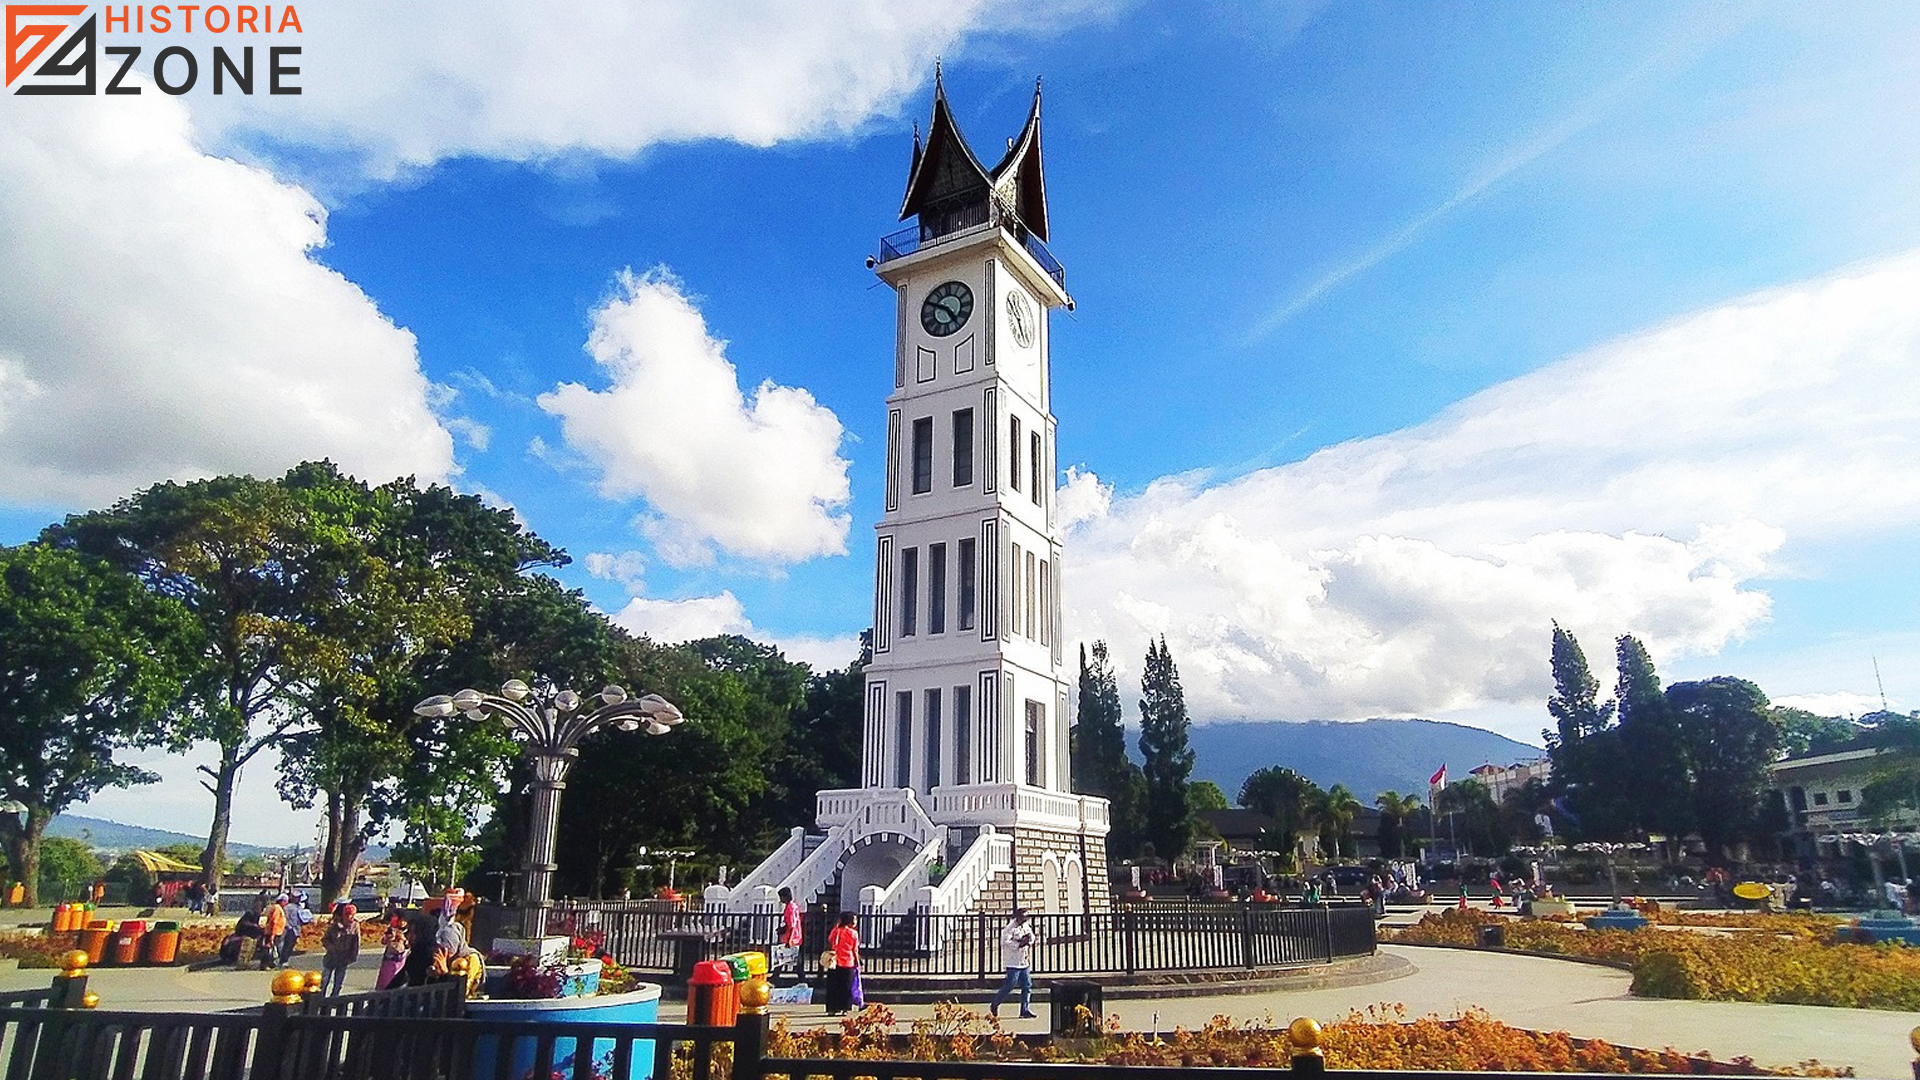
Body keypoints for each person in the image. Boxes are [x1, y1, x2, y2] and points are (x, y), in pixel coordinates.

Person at [989, 908, 1037, 1020]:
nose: (1024, 920)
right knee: (1010, 985)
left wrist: (1029, 941)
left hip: (1023, 960)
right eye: (1023, 918)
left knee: (1027, 985)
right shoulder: (1009, 928)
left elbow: (1032, 936)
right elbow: (1005, 942)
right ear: (1018, 917)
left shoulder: (1025, 926)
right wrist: (1019, 944)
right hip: (1012, 961)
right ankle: (995, 1004)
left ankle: (1024, 1010)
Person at [822, 912, 860, 1015]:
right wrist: (858, 962)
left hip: (835, 962)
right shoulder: (853, 933)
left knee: (833, 986)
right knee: (846, 987)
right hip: (848, 962)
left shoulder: (836, 931)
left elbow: (830, 940)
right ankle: (845, 1008)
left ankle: (832, 1008)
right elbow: (854, 950)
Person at [320, 903, 361, 997]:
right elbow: (325, 939)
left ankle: (334, 999)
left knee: (338, 982)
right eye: (347, 915)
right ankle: (320, 998)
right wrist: (331, 948)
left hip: (344, 958)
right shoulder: (334, 925)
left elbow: (356, 942)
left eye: (351, 915)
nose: (349, 917)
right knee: (325, 980)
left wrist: (353, 956)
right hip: (331, 957)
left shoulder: (355, 925)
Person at [775, 886, 803, 981]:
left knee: (786, 958)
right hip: (792, 937)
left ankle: (802, 978)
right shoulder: (791, 906)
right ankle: (776, 975)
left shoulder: (790, 908)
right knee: (786, 958)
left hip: (791, 938)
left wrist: (790, 940)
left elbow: (792, 925)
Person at [376, 916, 409, 990]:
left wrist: (403, 939)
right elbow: (383, 941)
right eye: (401, 921)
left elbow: (409, 945)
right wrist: (391, 937)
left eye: (404, 921)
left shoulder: (408, 931)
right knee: (385, 979)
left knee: (398, 977)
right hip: (390, 959)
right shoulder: (391, 930)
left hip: (401, 959)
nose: (402, 923)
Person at [258, 895, 288, 970]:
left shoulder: (278, 908)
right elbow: (274, 922)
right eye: (285, 901)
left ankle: (271, 964)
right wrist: (272, 935)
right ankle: (265, 964)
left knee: (272, 948)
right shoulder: (277, 908)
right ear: (282, 901)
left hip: (277, 932)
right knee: (269, 949)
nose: (287, 903)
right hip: (273, 932)